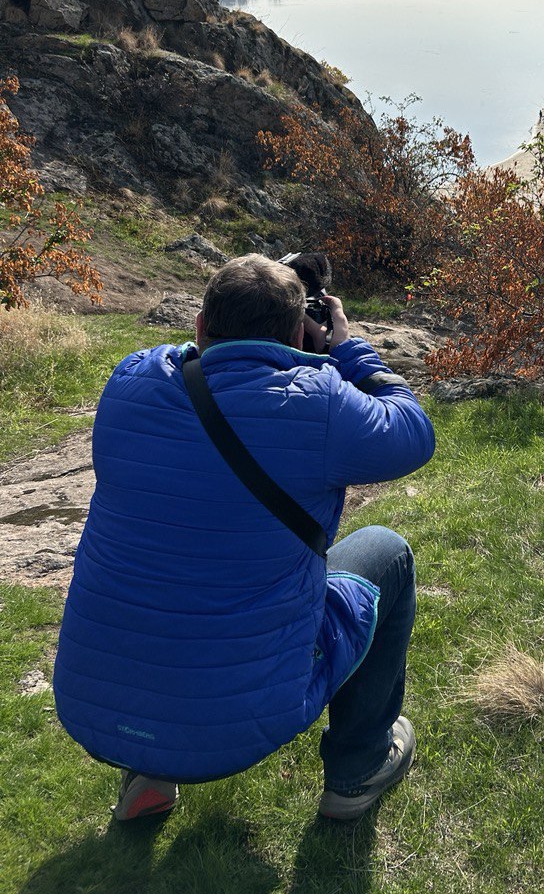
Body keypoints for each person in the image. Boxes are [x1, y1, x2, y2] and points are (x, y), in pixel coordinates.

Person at [53, 254, 435, 823]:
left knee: (168, 553)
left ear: (201, 325)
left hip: (95, 709)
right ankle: (358, 770)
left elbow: (200, 364)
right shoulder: (319, 403)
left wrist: (256, 293)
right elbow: (413, 429)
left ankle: (147, 775)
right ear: (298, 334)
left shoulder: (130, 381)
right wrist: (346, 348)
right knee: (387, 551)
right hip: (238, 722)